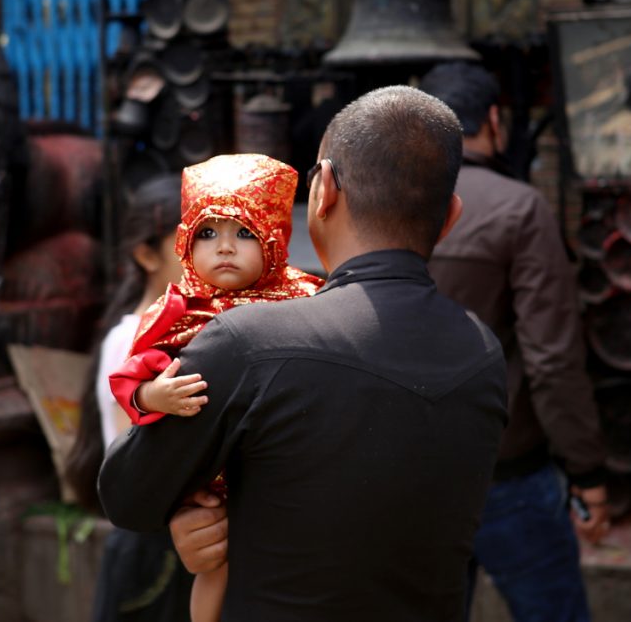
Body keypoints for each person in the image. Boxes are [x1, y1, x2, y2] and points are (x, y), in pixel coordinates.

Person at [99, 86, 509, 622]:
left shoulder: (248, 342)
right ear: (450, 216)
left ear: (323, 191)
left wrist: (195, 516)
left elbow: (127, 494)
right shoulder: (482, 353)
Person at [419, 62, 609, 622]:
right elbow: (552, 360)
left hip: (407, 475)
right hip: (507, 472)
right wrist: (587, 472)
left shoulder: (384, 207)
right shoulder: (520, 208)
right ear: (494, 121)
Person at [108, 153, 324, 622]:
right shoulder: (176, 312)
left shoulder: (307, 301)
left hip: (285, 472)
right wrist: (154, 396)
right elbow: (132, 378)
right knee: (214, 566)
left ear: (274, 236)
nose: (225, 247)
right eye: (208, 233)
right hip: (211, 478)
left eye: (244, 232)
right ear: (185, 241)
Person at [63, 173, 195, 622]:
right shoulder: (133, 340)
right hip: (154, 550)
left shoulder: (184, 330)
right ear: (146, 254)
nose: (216, 251)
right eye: (194, 238)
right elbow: (135, 467)